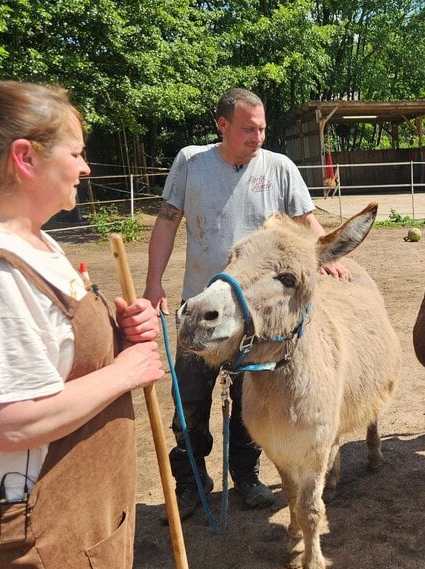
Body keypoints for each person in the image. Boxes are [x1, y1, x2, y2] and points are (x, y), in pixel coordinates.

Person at [0, 76, 164, 569]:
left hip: (78, 536)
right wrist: (126, 372)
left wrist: (117, 331)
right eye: (77, 152)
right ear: (25, 158)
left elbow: (45, 349)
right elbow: (5, 423)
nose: (86, 167)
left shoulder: (30, 238)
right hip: (39, 551)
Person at [145, 88, 347, 521]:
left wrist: (327, 256)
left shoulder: (279, 168)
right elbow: (166, 223)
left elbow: (306, 221)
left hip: (256, 316)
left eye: (262, 128)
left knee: (250, 404)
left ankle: (247, 477)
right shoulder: (191, 162)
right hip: (203, 308)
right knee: (190, 403)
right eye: (248, 129)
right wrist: (153, 283)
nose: (258, 136)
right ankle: (191, 484)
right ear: (223, 126)